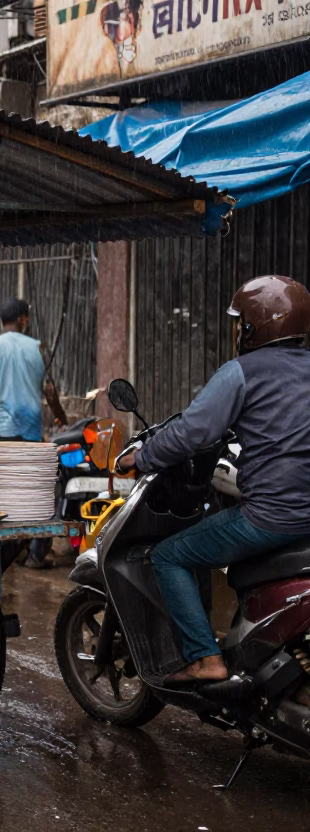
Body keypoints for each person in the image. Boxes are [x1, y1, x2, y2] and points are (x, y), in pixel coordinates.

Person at [117, 275, 310, 687]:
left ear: (253, 327)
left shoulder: (240, 372)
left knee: (169, 555)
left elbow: (191, 432)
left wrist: (142, 456)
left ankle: (205, 658)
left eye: (241, 323)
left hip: (272, 517)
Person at [0, 297, 67, 568]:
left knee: (2, 491)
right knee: (36, 491)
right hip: (31, 432)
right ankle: (36, 553)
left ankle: (2, 549)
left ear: (1, 321)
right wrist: (61, 418)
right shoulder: (38, 347)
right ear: (23, 320)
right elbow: (49, 390)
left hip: (2, 431)